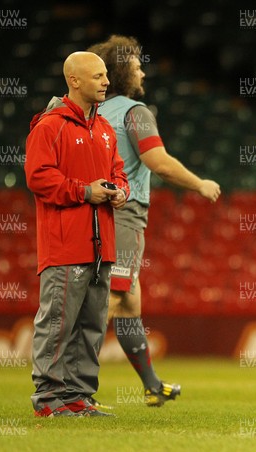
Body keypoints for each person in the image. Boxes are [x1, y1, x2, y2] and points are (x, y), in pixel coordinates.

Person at [86, 35, 221, 407]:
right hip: (124, 213)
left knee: (128, 303)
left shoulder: (92, 110)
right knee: (110, 299)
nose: (143, 70)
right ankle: (73, 388)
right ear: (121, 72)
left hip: (95, 211)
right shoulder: (135, 111)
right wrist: (200, 184)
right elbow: (157, 162)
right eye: (137, 65)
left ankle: (150, 384)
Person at [25, 51, 129, 417]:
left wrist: (119, 190)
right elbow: (38, 177)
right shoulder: (49, 126)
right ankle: (49, 401)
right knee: (58, 325)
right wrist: (85, 191)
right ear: (74, 81)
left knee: (90, 327)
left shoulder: (103, 129)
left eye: (105, 76)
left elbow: (119, 172)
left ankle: (78, 397)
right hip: (65, 245)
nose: (105, 82)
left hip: (103, 245)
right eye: (98, 76)